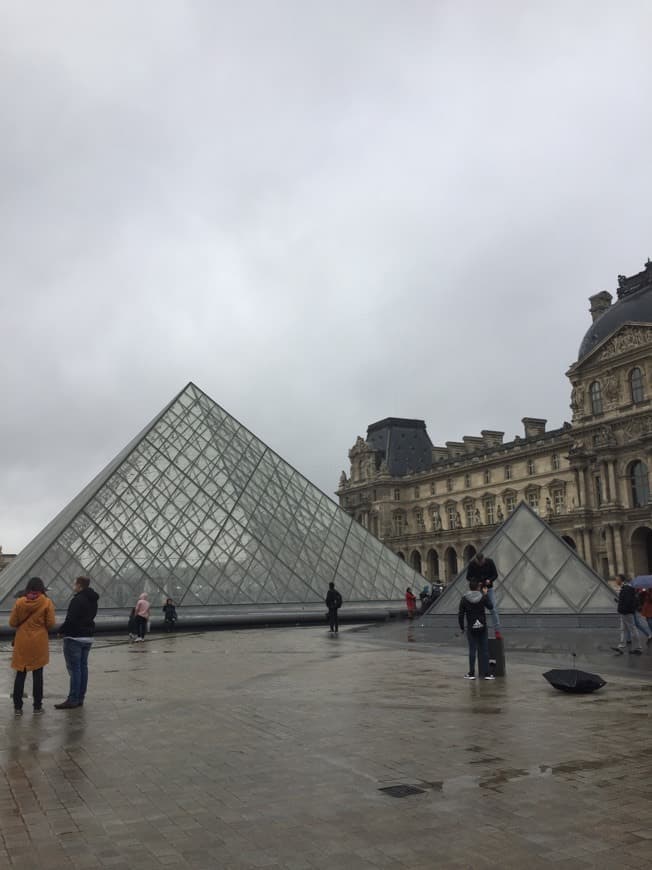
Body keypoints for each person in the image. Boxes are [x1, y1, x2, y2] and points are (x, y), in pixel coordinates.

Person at [9, 577, 56, 716]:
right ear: (42, 588)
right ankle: (37, 707)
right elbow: (51, 623)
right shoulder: (46, 602)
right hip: (38, 642)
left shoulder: (19, 602)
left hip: (22, 641)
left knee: (20, 674)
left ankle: (18, 708)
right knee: (38, 675)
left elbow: (12, 622)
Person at [55, 576, 99, 710]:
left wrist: (60, 631)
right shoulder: (93, 600)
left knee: (75, 670)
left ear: (79, 585)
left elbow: (71, 620)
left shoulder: (77, 599)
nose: (73, 585)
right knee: (83, 668)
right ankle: (80, 698)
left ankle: (73, 699)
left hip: (74, 638)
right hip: (88, 637)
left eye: (74, 583)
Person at [458, 579, 495, 680]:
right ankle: (487, 674)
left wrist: (462, 627)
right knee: (485, 650)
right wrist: (486, 594)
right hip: (482, 626)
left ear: (470, 587)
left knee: (472, 650)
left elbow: (461, 614)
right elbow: (491, 606)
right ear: (478, 588)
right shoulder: (482, 597)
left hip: (471, 627)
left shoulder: (464, 599)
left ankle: (471, 673)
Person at [466, 552, 501, 639]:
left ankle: (497, 631)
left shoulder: (490, 562)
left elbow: (495, 575)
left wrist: (490, 580)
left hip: (488, 588)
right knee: (477, 611)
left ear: (484, 559)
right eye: (479, 563)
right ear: (476, 560)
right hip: (477, 589)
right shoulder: (472, 564)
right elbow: (468, 577)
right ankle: (479, 629)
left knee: (493, 609)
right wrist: (477, 582)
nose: (481, 564)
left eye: (482, 562)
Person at [611, 574, 643, 654]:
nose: (616, 581)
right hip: (624, 612)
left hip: (626, 612)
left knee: (632, 629)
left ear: (621, 580)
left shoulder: (627, 588)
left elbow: (628, 601)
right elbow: (625, 600)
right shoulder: (624, 588)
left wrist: (623, 609)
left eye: (617, 579)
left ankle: (638, 647)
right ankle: (621, 645)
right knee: (623, 629)